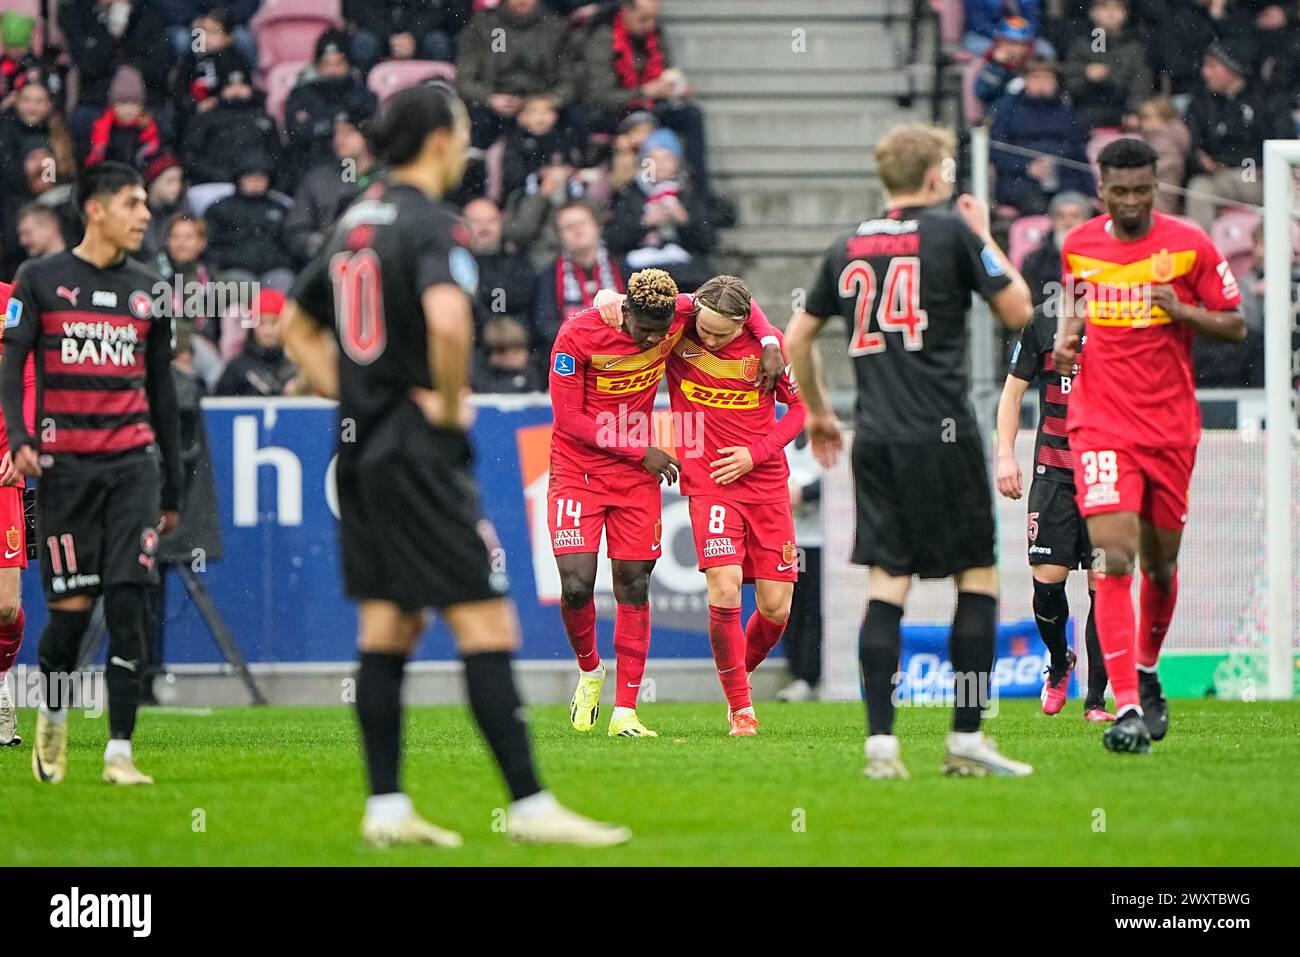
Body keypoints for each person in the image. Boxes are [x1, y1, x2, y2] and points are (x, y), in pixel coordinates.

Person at [282, 83, 629, 847]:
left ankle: (386, 806)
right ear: (440, 140)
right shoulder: (433, 224)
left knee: (388, 624)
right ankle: (532, 805)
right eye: (465, 131)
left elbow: (292, 325)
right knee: (486, 619)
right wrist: (442, 402)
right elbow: (447, 320)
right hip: (418, 453)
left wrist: (361, 393)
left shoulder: (353, 224)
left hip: (363, 451)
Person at [786, 123, 1035, 779]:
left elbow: (795, 340)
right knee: (975, 576)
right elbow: (1020, 309)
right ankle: (966, 738)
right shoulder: (951, 232)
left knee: (886, 585)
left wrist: (818, 413)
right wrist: (981, 233)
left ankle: (880, 748)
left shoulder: (846, 245)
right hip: (943, 433)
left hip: (878, 438)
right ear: (934, 177)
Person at [1053, 137, 1245, 754]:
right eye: (1120, 191)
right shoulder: (1079, 245)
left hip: (1169, 428)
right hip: (1099, 422)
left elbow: (1238, 324)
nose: (1132, 201)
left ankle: (1149, 666)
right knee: (1112, 556)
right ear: (1101, 189)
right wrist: (1066, 338)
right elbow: (1075, 305)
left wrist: (1184, 312)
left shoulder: (1189, 243)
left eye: (1143, 190)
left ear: (1156, 187)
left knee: (1160, 565)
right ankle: (1127, 702)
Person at [1, 161, 182, 785]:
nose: (145, 214)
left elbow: (163, 392)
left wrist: (173, 484)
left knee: (129, 601)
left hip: (132, 467)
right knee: (71, 617)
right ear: (97, 208)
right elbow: (13, 365)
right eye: (134, 203)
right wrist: (21, 438)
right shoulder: (40, 280)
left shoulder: (150, 288)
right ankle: (52, 717)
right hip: (66, 472)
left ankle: (119, 754)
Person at [547, 269, 784, 737]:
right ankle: (591, 670)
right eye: (645, 331)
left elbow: (737, 301)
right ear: (625, 312)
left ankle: (626, 712)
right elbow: (568, 418)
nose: (655, 341)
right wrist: (641, 449)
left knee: (633, 584)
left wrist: (772, 341)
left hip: (635, 478)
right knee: (576, 585)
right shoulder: (578, 333)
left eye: (662, 333)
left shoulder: (677, 313)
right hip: (579, 470)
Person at [659, 276, 804, 736]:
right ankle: (741, 707)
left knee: (777, 608)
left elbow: (800, 413)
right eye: (706, 329)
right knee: (724, 587)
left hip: (765, 484)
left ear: (744, 322)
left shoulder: (769, 349)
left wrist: (754, 454)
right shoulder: (680, 327)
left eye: (723, 334)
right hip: (710, 483)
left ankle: (738, 675)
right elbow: (639, 302)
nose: (710, 339)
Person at [996, 297, 1114, 722]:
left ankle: (1096, 702)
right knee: (1048, 585)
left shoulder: (1121, 322)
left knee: (1105, 587)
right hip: (1054, 475)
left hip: (1106, 474)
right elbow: (1012, 394)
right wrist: (1005, 455)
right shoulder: (1042, 324)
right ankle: (1060, 659)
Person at [1183, 40, 1294, 229]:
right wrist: (1199, 159)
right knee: (1199, 189)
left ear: (1233, 69)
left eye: (1212, 65)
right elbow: (1192, 142)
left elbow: (1284, 140)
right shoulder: (1201, 103)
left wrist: (1264, 167)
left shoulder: (1268, 99)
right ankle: (1204, 256)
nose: (1204, 72)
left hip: (1257, 176)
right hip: (1220, 175)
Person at [454, 0, 576, 150]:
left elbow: (569, 81)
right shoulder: (483, 25)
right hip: (494, 108)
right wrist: (489, 98)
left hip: (543, 104)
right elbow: (464, 79)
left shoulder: (555, 27)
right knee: (477, 118)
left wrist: (548, 102)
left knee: (576, 118)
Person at [989, 59, 1094, 216]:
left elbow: (1078, 154)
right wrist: (1026, 167)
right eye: (1036, 77)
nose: (1041, 83)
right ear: (1025, 80)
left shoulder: (1067, 112)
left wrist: (1091, 193)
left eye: (1047, 78)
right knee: (1036, 206)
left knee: (1075, 207)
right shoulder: (1007, 109)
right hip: (1019, 181)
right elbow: (997, 151)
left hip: (1064, 180)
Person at [0, 279, 35, 746]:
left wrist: (21, 440)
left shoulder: (11, 299)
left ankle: (1, 679)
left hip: (3, 470)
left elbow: (28, 373)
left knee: (6, 607)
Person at [532, 199, 623, 366]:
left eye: (582, 223)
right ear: (559, 236)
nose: (577, 230)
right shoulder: (549, 275)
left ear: (597, 225)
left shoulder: (622, 268)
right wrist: (589, 341)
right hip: (572, 359)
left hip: (623, 356)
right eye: (568, 227)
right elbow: (546, 326)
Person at [286, 106, 376, 268]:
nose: (339, 140)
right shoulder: (317, 180)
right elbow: (296, 232)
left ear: (368, 135)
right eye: (337, 133)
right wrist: (324, 245)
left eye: (348, 133)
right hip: (329, 269)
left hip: (381, 264)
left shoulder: (389, 177)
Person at [778, 432, 823, 702]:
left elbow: (838, 480)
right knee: (787, 609)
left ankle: (810, 675)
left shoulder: (829, 438)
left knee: (813, 610)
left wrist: (805, 492)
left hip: (822, 542)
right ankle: (798, 675)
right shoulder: (785, 439)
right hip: (788, 540)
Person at [1061, 0, 1152, 132]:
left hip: (1123, 115)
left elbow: (1141, 82)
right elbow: (1070, 82)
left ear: (1125, 14)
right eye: (1104, 8)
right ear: (1093, 13)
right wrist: (1087, 76)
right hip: (1085, 114)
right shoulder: (1080, 45)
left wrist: (1133, 111)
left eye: (1117, 8)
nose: (1111, 13)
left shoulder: (1135, 48)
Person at [215, 289, 298, 397]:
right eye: (261, 323)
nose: (267, 331)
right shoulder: (236, 368)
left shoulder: (299, 366)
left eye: (274, 322)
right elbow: (219, 406)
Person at [1021, 191, 1091, 308]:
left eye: (1075, 216)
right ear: (1053, 221)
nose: (1068, 222)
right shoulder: (1034, 262)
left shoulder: (1101, 258)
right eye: (1061, 216)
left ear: (1086, 221)